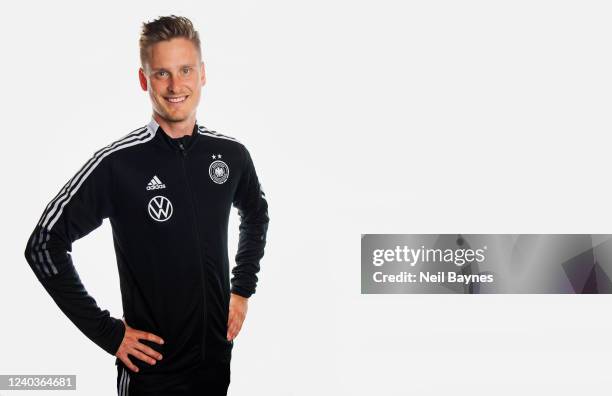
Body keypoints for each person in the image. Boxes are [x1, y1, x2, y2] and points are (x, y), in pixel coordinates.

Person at [23, 15, 269, 395]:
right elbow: (43, 245)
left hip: (215, 367)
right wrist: (109, 333)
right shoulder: (119, 164)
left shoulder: (231, 155)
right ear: (144, 79)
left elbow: (256, 212)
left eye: (185, 70)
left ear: (203, 73)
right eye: (161, 73)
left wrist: (242, 289)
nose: (175, 86)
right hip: (151, 376)